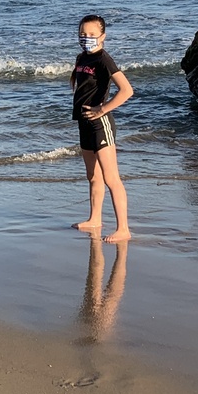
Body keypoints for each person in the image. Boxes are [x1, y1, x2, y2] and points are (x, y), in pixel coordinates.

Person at [71, 14, 133, 243]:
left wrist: (103, 109)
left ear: (102, 36)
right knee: (93, 176)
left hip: (100, 124)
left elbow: (127, 90)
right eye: (82, 34)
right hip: (84, 122)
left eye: (91, 34)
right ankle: (94, 219)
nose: (86, 38)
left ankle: (123, 228)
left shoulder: (104, 59)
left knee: (111, 177)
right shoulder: (81, 58)